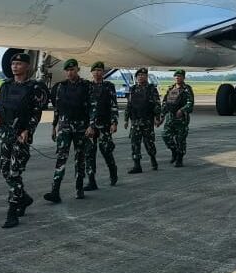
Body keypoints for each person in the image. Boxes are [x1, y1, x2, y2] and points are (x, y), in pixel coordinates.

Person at [0, 53, 48, 229]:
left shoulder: (35, 87)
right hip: (5, 134)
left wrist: (28, 130)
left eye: (19, 64)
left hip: (20, 136)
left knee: (15, 173)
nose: (15, 66)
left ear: (27, 67)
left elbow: (36, 112)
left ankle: (12, 211)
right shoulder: (5, 86)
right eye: (13, 63)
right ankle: (24, 198)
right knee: (5, 170)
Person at [45, 58, 96, 202]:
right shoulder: (61, 87)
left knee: (80, 158)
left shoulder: (87, 86)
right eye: (67, 70)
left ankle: (79, 187)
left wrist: (91, 125)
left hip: (81, 127)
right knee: (61, 157)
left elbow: (93, 106)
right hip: (64, 126)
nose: (69, 73)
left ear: (77, 70)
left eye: (72, 70)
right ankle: (55, 191)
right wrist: (54, 126)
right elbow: (57, 108)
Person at [85, 61, 119, 189]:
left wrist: (114, 122)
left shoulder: (109, 86)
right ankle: (91, 180)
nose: (97, 73)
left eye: (100, 70)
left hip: (104, 125)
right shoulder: (87, 86)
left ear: (103, 72)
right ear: (92, 72)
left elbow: (113, 105)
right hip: (90, 126)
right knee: (89, 153)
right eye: (95, 70)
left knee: (106, 150)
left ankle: (113, 172)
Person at [124, 67, 161, 173]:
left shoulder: (151, 89)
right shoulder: (133, 89)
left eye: (143, 75)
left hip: (147, 121)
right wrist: (126, 119)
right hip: (135, 121)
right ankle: (137, 165)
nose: (141, 77)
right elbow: (129, 105)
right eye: (139, 75)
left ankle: (153, 158)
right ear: (136, 78)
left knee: (149, 143)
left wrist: (157, 118)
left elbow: (157, 104)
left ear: (146, 77)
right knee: (135, 143)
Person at [161, 69, 195, 168]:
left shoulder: (187, 89)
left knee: (180, 139)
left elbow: (190, 103)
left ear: (183, 78)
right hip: (170, 118)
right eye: (176, 76)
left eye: (179, 76)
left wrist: (182, 110)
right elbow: (165, 103)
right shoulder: (171, 88)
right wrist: (162, 116)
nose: (177, 78)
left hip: (181, 119)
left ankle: (179, 158)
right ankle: (174, 151)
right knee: (166, 136)